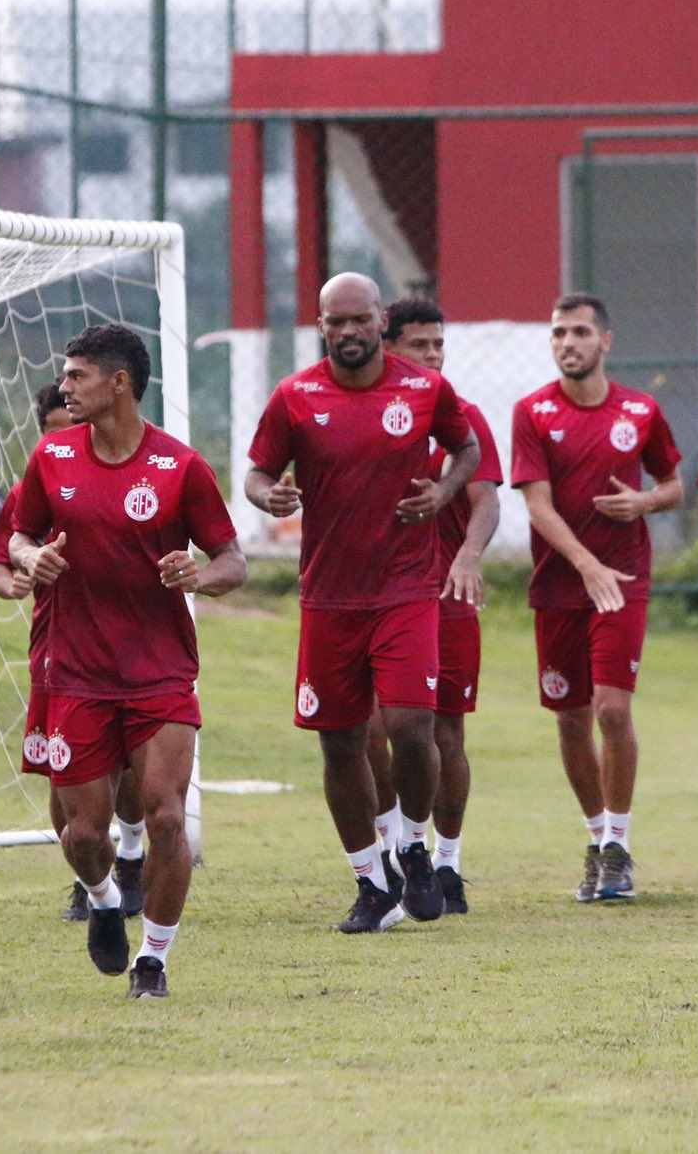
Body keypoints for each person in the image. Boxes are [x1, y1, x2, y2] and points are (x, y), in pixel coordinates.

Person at [7, 324, 245, 998]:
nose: (64, 387)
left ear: (119, 384)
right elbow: (17, 536)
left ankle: (154, 960)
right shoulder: (51, 456)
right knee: (82, 832)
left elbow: (234, 559)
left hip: (160, 671)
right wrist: (31, 557)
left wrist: (198, 572)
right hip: (76, 675)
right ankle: (106, 895)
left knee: (166, 815)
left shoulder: (180, 466)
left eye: (77, 375)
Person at [246, 272, 480, 934]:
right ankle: (371, 882)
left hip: (406, 588)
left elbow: (467, 449)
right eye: (334, 322)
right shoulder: (295, 397)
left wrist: (440, 494)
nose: (347, 331)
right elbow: (257, 471)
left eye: (358, 319)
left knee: (411, 725)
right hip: (329, 597)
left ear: (381, 321)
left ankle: (412, 842)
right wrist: (270, 497)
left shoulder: (424, 388)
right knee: (341, 742)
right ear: (321, 327)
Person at [509, 293, 681, 903]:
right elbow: (536, 503)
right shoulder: (532, 412)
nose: (567, 343)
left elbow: (673, 484)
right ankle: (594, 836)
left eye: (580, 332)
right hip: (560, 586)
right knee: (571, 717)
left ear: (605, 340)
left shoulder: (640, 409)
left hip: (623, 582)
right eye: (558, 333)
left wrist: (645, 503)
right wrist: (583, 564)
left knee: (612, 709)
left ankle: (618, 847)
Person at [0, 382, 152, 923]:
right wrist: (10, 582)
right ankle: (91, 874)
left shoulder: (127, 480)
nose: (64, 447)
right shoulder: (29, 490)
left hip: (129, 648)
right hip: (56, 653)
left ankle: (129, 854)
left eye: (73, 433)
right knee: (65, 771)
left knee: (125, 763)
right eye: (53, 436)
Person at [365, 297, 501, 913]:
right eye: (421, 345)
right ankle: (394, 848)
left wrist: (469, 556)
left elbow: (486, 499)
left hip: (441, 596)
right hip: (366, 595)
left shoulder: (461, 416)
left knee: (443, 731)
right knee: (366, 729)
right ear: (388, 347)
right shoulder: (358, 415)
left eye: (440, 345)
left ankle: (445, 862)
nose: (434, 356)